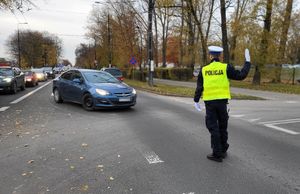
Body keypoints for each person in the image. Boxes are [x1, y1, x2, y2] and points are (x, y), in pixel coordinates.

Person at [194, 46, 251, 162]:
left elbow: (199, 87)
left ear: (210, 56)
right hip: (222, 103)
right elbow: (241, 76)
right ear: (220, 56)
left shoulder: (204, 69)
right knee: (222, 126)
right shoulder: (226, 67)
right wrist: (247, 62)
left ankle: (217, 154)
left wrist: (196, 100)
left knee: (213, 127)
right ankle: (223, 149)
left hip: (210, 103)